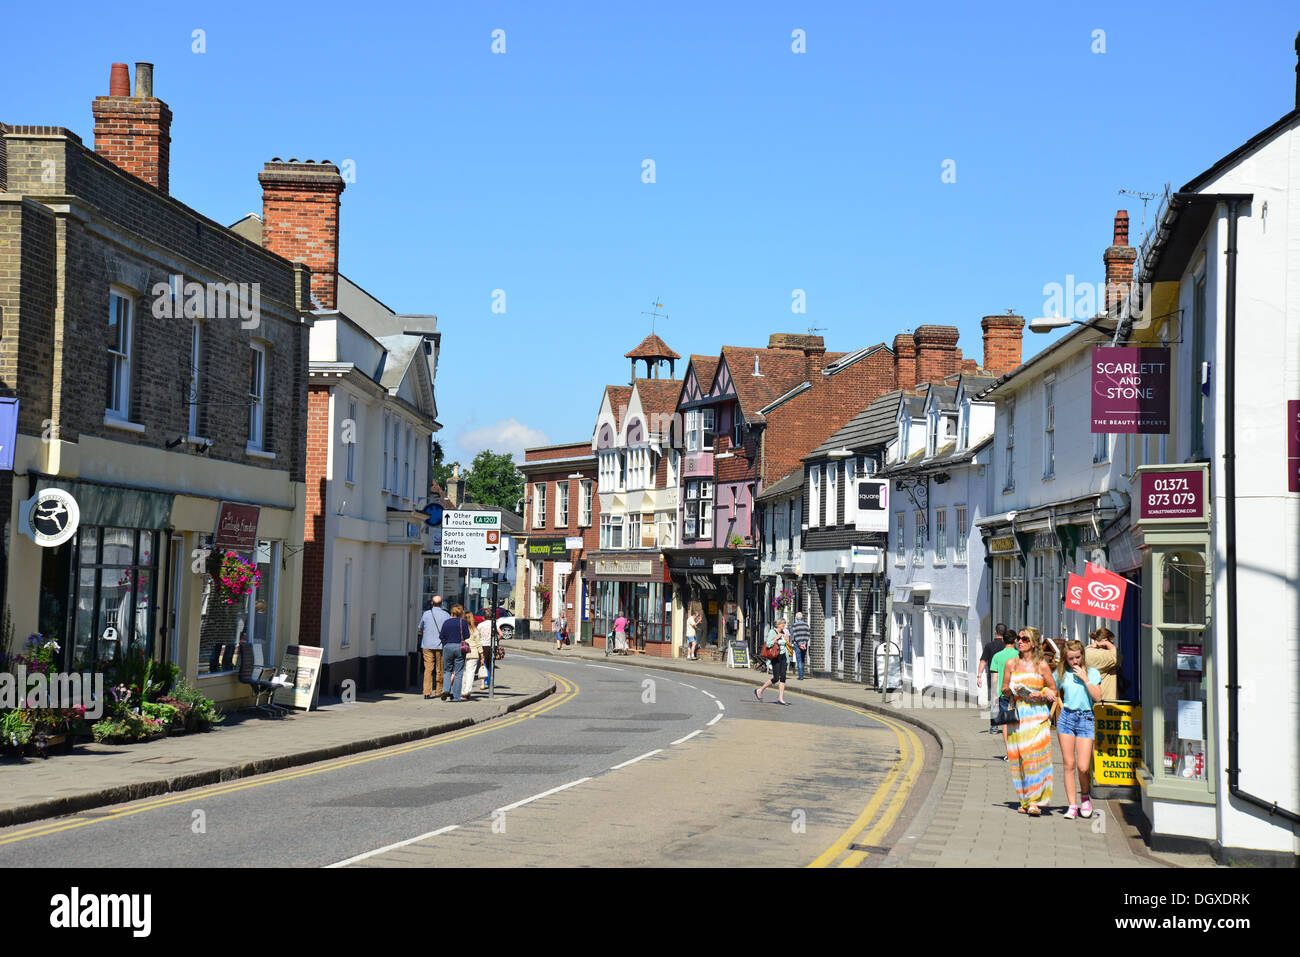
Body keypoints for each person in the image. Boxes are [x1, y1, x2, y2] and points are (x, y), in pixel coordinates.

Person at [1002, 627, 1058, 816]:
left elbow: (1053, 690)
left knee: (1033, 757)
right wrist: (1011, 690)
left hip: (1037, 716)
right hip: (1017, 715)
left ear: (1033, 643)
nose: (1020, 641)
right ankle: (1025, 799)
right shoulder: (1011, 663)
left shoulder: (1042, 665)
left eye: (1024, 639)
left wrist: (1040, 693)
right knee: (1019, 758)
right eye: (1018, 638)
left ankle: (1034, 801)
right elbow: (1004, 688)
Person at [1056, 638, 1103, 820]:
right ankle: (1072, 805)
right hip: (1066, 718)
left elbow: (1098, 697)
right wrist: (1047, 692)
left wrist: (1085, 679)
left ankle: (1085, 796)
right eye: (1070, 659)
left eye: (1077, 657)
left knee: (1083, 767)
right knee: (1069, 764)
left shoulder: (1092, 672)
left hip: (1086, 718)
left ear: (1083, 655)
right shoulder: (1062, 673)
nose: (1074, 661)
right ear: (1065, 659)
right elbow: (1050, 685)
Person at [989, 628, 1019, 753]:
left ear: (1003, 641)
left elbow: (995, 678)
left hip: (1003, 692)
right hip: (1018, 692)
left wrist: (995, 695)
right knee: (1018, 721)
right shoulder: (1018, 655)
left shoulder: (997, 656)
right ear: (1016, 640)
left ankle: (1009, 752)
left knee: (1006, 723)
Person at [978, 624, 1010, 731]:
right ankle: (1008, 723)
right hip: (1008, 678)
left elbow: (983, 662)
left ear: (995, 632)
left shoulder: (989, 646)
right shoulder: (1008, 647)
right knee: (1007, 701)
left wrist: (979, 676)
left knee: (994, 701)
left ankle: (994, 726)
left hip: (993, 677)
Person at [419, 596, 451, 700]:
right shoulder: (446, 615)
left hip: (427, 645)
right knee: (440, 669)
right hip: (441, 645)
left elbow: (421, 628)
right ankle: (438, 690)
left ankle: (427, 692)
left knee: (428, 669)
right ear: (442, 604)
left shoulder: (426, 614)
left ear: (432, 603)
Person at [438, 604, 472, 702]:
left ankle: (445, 690)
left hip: (447, 647)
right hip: (459, 647)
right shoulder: (463, 623)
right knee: (458, 672)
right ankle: (456, 697)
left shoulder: (446, 622)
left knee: (447, 671)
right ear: (461, 613)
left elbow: (441, 636)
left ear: (452, 612)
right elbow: (467, 636)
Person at [755, 619, 790, 705]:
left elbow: (786, 645)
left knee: (783, 677)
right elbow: (768, 644)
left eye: (784, 624)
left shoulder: (784, 632)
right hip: (775, 657)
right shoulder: (772, 632)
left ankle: (780, 699)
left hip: (783, 657)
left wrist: (787, 640)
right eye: (783, 624)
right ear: (778, 624)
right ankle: (760, 690)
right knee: (775, 678)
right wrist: (776, 638)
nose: (784, 625)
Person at [1085, 627, 1121, 702]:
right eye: (1112, 643)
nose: (1112, 645)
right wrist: (1108, 644)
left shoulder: (1086, 651)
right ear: (1105, 640)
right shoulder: (1096, 654)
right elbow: (1117, 656)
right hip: (1103, 702)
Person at [475, 614, 496, 691]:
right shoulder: (494, 624)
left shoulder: (480, 625)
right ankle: (490, 682)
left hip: (483, 645)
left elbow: (476, 635)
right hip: (492, 646)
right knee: (491, 664)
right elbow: (501, 634)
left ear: (483, 617)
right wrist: (497, 640)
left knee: (482, 664)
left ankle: (483, 684)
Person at [790, 612, 811, 680]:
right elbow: (808, 635)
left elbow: (794, 635)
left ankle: (801, 676)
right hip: (804, 644)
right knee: (802, 659)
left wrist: (799, 644)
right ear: (802, 617)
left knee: (799, 660)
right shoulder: (806, 625)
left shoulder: (794, 625)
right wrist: (804, 643)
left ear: (796, 618)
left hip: (797, 644)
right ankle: (802, 674)